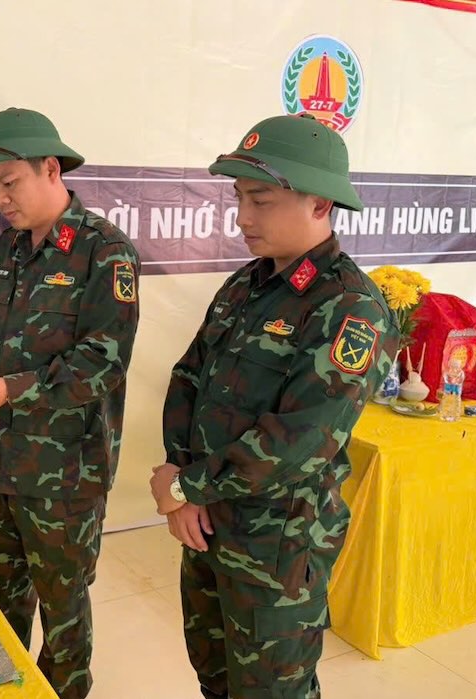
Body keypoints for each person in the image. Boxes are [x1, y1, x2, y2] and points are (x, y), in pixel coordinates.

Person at [149, 114, 398, 699]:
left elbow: (303, 440)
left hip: (277, 552)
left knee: (271, 690)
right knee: (215, 675)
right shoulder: (246, 286)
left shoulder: (350, 308)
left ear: (319, 202)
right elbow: (188, 381)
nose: (242, 217)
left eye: (259, 199)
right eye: (239, 198)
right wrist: (182, 482)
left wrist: (189, 485)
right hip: (207, 528)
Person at [0, 107, 140, 699]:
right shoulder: (7, 249)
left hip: (64, 475)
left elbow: (103, 361)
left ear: (51, 168)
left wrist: (10, 387)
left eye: (10, 182)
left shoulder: (105, 251)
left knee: (63, 612)